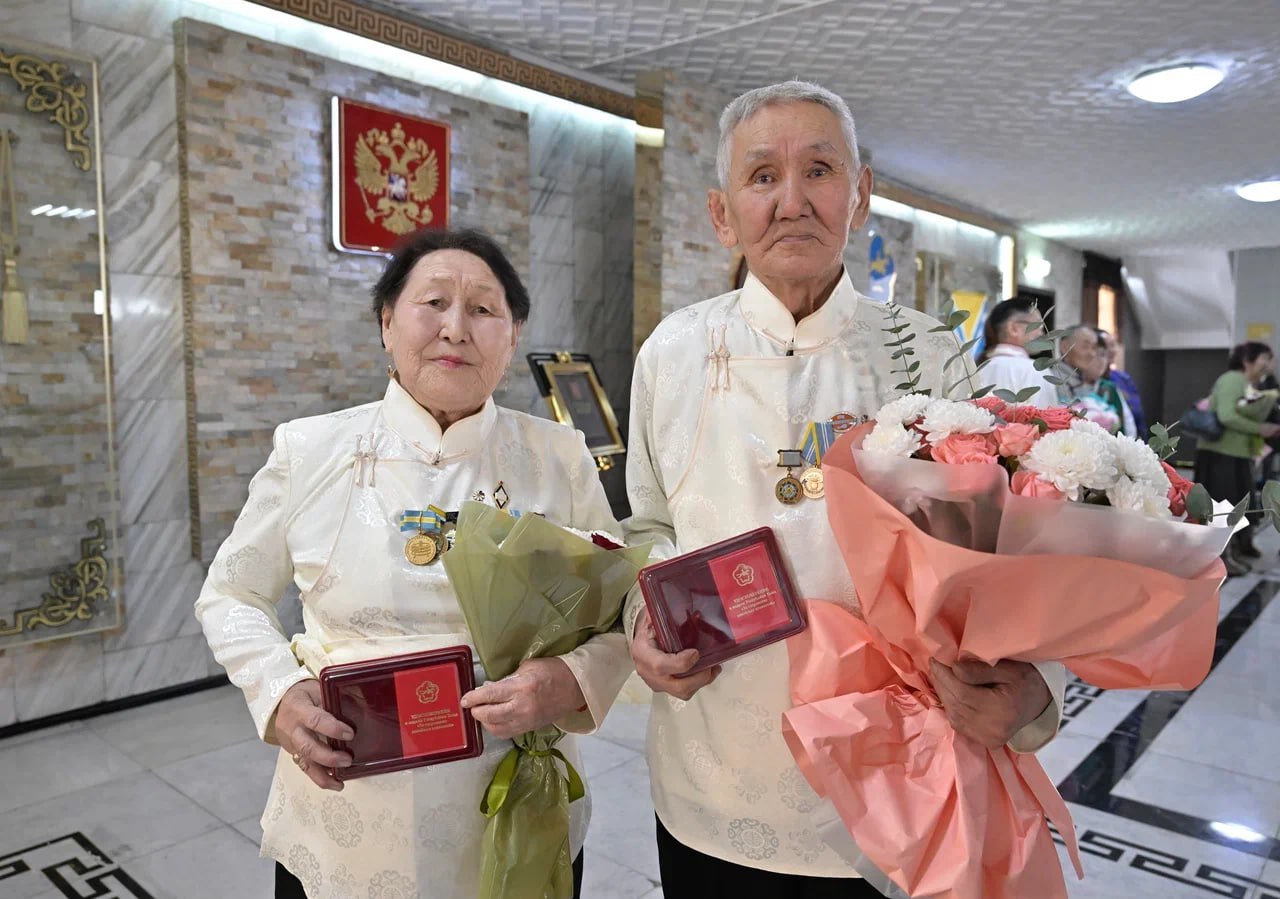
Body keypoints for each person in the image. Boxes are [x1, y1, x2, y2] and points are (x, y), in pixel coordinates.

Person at [623, 81, 1067, 898]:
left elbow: (1010, 549)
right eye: (762, 177)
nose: (792, 201)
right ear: (723, 213)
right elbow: (647, 524)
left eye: (819, 170)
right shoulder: (671, 353)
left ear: (859, 196)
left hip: (896, 777)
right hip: (712, 777)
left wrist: (1038, 686)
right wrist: (639, 619)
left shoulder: (928, 355)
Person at [194, 227, 633, 899]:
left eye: (484, 310)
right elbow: (230, 592)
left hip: (516, 808)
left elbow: (621, 606)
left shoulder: (558, 454)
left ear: (512, 336)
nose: (456, 327)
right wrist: (278, 691)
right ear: (386, 322)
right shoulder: (309, 450)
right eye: (433, 302)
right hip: (350, 814)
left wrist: (571, 681)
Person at [1194, 341, 1280, 573]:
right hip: (1221, 454)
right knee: (1225, 507)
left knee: (1240, 502)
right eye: (1264, 358)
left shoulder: (1251, 384)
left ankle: (1238, 547)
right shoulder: (1233, 379)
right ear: (1247, 360)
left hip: (1237, 454)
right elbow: (1227, 416)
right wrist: (1259, 428)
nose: (1268, 364)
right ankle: (1222, 558)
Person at [974, 297, 1056, 407]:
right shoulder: (1035, 370)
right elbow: (1049, 420)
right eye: (1038, 325)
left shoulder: (976, 368)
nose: (1041, 333)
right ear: (1013, 328)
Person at [1057, 324, 1136, 436]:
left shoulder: (1105, 387)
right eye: (1085, 346)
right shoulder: (1050, 380)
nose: (1092, 354)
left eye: (1094, 347)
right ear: (1065, 347)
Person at [1097, 328, 1147, 436]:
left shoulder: (1124, 379)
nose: (1111, 350)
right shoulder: (1091, 384)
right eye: (1106, 346)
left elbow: (1139, 416)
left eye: (1113, 345)